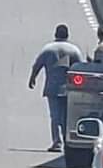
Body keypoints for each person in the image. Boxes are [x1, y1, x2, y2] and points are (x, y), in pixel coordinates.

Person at [28, 24, 83, 152]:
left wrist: (32, 78)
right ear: (67, 35)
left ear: (55, 34)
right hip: (69, 88)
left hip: (52, 87)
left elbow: (37, 65)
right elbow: (80, 67)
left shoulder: (48, 49)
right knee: (65, 116)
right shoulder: (74, 50)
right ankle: (66, 140)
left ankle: (56, 142)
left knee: (54, 116)